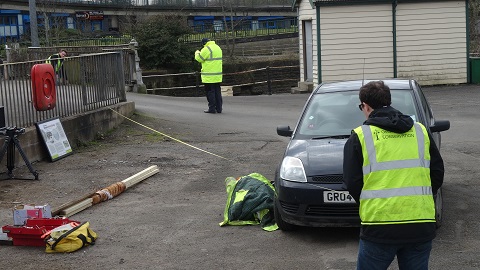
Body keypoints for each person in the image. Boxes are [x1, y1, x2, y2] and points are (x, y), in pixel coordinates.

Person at [343, 80, 444, 270]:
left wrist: (371, 201)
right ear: (389, 101)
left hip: (379, 226)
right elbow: (437, 172)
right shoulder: (420, 131)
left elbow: (352, 182)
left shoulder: (360, 136)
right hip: (420, 224)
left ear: (365, 106)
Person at [194, 38, 223, 114]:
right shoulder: (217, 47)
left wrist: (197, 52)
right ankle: (219, 108)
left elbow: (199, 59)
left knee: (210, 92)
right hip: (217, 75)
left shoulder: (206, 49)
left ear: (204, 43)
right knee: (217, 92)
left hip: (209, 76)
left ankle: (212, 108)